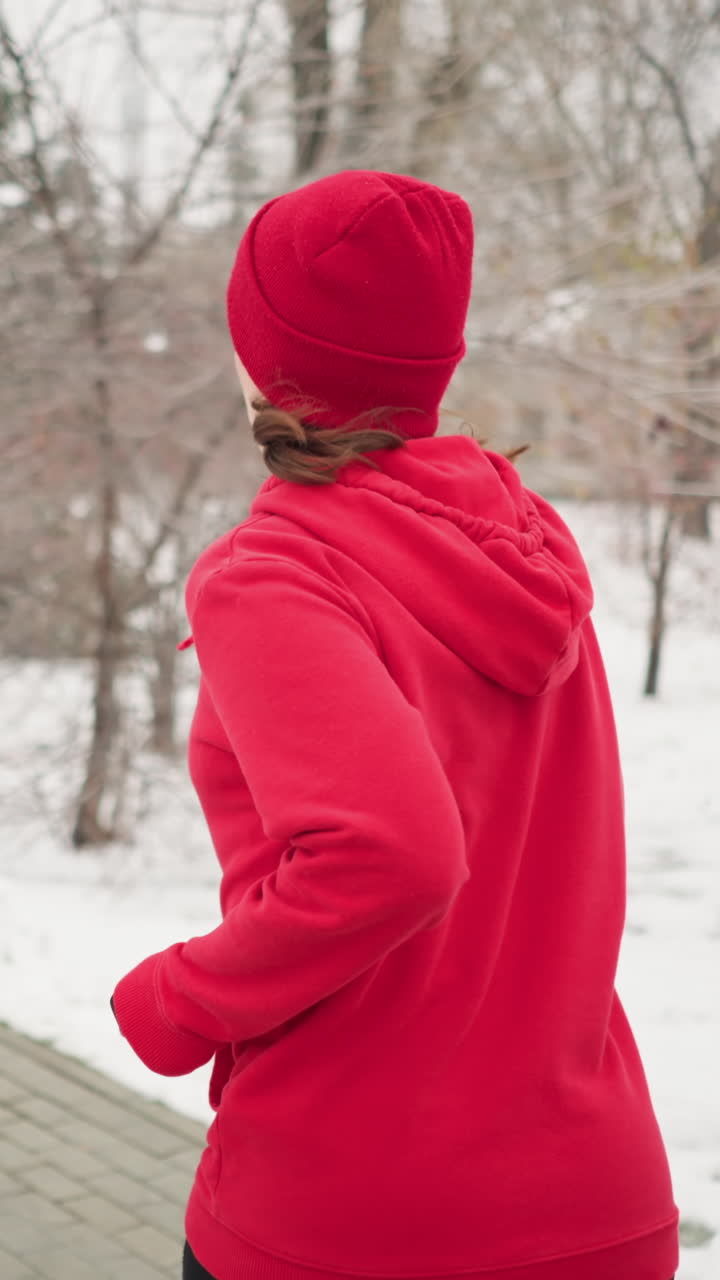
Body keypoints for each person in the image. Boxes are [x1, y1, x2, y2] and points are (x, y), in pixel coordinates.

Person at [112, 170, 679, 1280]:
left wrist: (178, 996)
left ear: (265, 356)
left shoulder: (275, 573)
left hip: (357, 1213)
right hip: (596, 1197)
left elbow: (391, 853)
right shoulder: (521, 541)